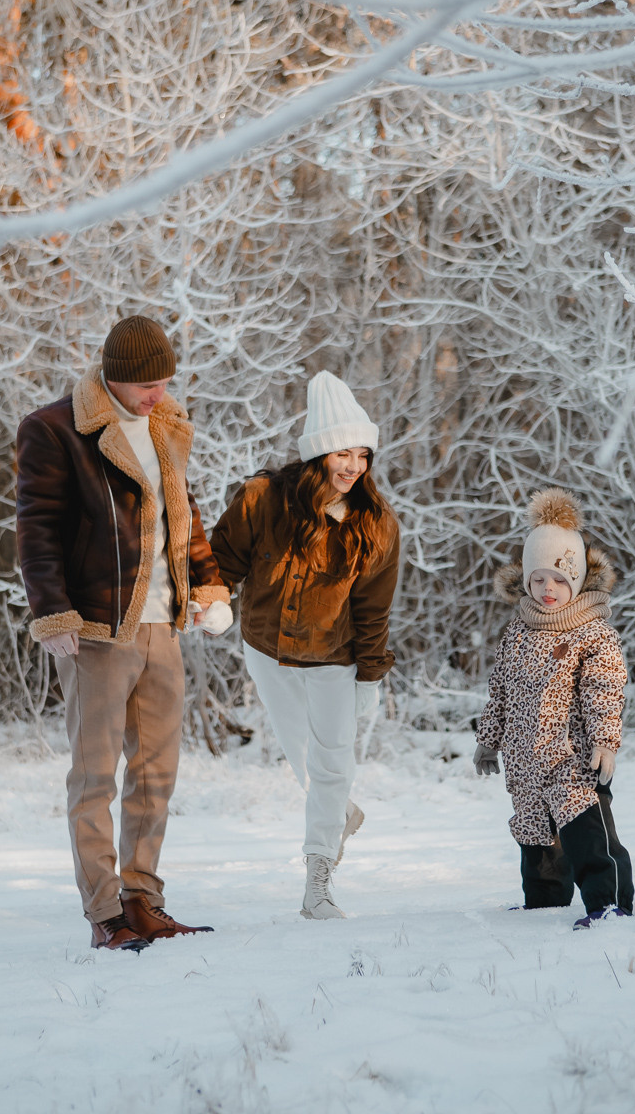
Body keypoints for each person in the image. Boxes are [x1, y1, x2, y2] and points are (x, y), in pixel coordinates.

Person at [16, 315, 233, 952]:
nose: (159, 394)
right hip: (96, 630)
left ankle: (143, 900)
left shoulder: (165, 426)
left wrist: (208, 586)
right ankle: (104, 911)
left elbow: (183, 518)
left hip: (163, 627)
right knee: (95, 777)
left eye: (166, 381)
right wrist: (52, 612)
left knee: (156, 774)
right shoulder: (56, 430)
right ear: (115, 376)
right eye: (148, 384)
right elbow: (37, 530)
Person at [209, 371, 400, 920]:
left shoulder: (377, 524)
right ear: (319, 453)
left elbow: (373, 609)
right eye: (343, 452)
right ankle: (338, 814)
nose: (353, 466)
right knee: (305, 761)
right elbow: (224, 559)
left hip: (335, 659)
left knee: (334, 764)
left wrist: (370, 674)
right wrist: (217, 599)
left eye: (362, 454)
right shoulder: (263, 498)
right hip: (266, 649)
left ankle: (318, 881)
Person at [473, 487, 635, 929]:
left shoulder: (593, 634)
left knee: (587, 832)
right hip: (524, 760)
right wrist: (489, 741)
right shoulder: (518, 631)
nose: (549, 589)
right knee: (535, 835)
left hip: (573, 758)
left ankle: (610, 902)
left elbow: (605, 689)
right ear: (526, 578)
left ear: (579, 580)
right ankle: (544, 904)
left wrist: (605, 741)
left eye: (561, 579)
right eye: (539, 578)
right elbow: (501, 691)